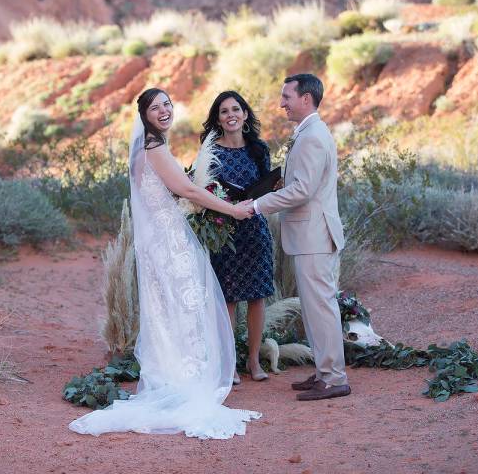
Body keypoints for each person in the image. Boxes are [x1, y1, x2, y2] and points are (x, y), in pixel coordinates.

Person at [69, 88, 261, 439]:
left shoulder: (153, 148)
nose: (163, 111)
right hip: (169, 241)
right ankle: (184, 381)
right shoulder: (154, 148)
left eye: (167, 104)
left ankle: (176, 375)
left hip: (162, 238)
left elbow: (181, 188)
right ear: (144, 116)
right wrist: (231, 209)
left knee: (172, 308)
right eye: (155, 108)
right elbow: (186, 191)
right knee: (186, 305)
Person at [251, 74, 351, 401]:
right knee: (313, 308)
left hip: (314, 235)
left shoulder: (312, 136)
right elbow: (303, 182)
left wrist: (257, 205)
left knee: (320, 308)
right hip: (310, 235)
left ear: (305, 99)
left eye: (286, 97)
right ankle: (325, 371)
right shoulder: (308, 132)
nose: (281, 104)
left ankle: (334, 377)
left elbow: (304, 191)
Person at [199, 91, 274, 384]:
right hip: (225, 232)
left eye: (235, 109)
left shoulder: (259, 149)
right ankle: (229, 364)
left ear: (244, 114)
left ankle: (253, 360)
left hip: (255, 228)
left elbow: (266, 187)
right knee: (228, 299)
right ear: (217, 119)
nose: (230, 115)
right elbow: (202, 189)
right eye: (224, 111)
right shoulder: (211, 151)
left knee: (257, 297)